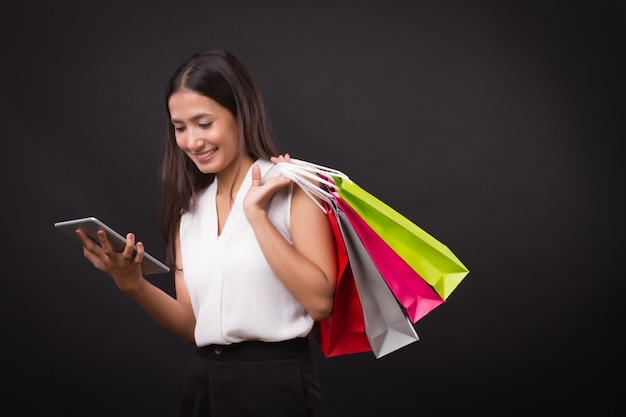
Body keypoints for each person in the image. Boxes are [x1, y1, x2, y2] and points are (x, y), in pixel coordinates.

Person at [75, 49, 337, 416]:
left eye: (204, 123)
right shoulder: (190, 212)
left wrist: (256, 216)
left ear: (240, 114)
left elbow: (320, 303)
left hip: (275, 385)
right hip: (204, 384)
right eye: (180, 128)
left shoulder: (293, 188)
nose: (192, 142)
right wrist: (132, 284)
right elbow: (195, 324)